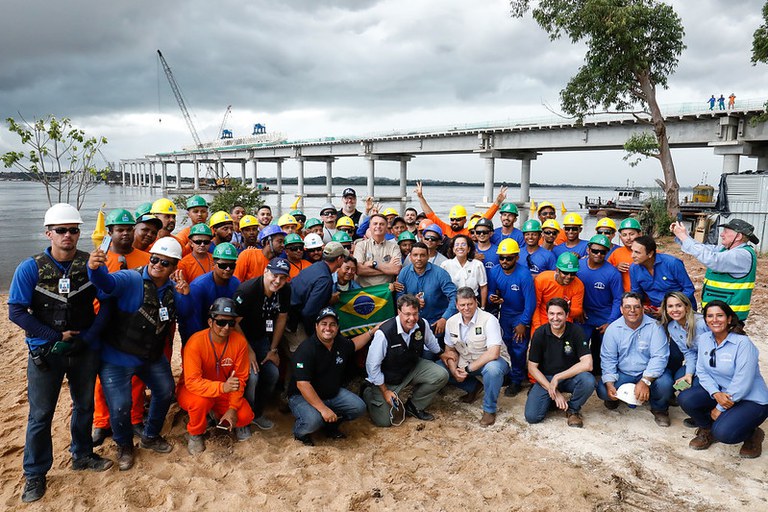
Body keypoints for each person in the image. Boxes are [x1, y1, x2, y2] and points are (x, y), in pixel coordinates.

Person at [9, 203, 112, 503]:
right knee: (41, 415)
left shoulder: (89, 264)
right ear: (49, 233)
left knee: (84, 407)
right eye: (62, 230)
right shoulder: (31, 267)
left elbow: (107, 301)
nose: (68, 235)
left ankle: (82, 455)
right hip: (46, 350)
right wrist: (54, 336)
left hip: (83, 349)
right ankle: (35, 473)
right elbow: (16, 311)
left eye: (74, 230)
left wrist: (89, 337)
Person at [87, 236, 190, 470]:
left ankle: (150, 435)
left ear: (174, 267)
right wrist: (94, 268)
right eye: (155, 259)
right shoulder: (131, 278)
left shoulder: (173, 289)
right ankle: (124, 445)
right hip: (117, 357)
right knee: (120, 405)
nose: (157, 265)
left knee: (165, 391)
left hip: (150, 356)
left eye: (165, 263)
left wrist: (185, 295)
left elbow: (183, 314)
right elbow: (106, 283)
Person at [678, 301, 768, 458]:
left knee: (724, 433)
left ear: (729, 319)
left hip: (750, 399)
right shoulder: (705, 338)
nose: (715, 320)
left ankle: (752, 434)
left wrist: (719, 408)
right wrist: (715, 393)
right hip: (722, 393)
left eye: (720, 315)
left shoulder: (743, 343)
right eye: (710, 316)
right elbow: (702, 371)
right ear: (705, 320)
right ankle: (707, 429)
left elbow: (743, 382)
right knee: (686, 398)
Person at [92, 209, 151, 448]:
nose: (125, 234)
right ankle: (101, 421)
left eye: (128, 229)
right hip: (104, 326)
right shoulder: (99, 258)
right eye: (120, 230)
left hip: (134, 326)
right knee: (101, 378)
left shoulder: (146, 258)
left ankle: (136, 418)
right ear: (110, 232)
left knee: (136, 375)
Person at [177, 298, 254, 454]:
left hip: (223, 391)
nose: (226, 327)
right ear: (210, 322)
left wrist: (232, 408)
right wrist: (222, 387)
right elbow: (192, 382)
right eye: (220, 322)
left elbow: (240, 378)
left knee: (245, 415)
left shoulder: (239, 342)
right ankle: (195, 433)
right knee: (200, 402)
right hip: (193, 391)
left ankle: (218, 415)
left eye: (231, 323)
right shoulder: (195, 342)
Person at [287, 308, 371, 445]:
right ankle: (300, 433)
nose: (328, 328)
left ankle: (330, 426)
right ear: (316, 326)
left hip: (331, 394)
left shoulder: (339, 342)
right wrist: (323, 409)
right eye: (324, 324)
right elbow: (302, 384)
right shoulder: (306, 349)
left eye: (332, 324)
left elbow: (354, 344)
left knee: (359, 407)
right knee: (314, 421)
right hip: (302, 396)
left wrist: (372, 332)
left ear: (337, 327)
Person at [363, 294, 450, 427]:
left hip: (411, 368)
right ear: (399, 312)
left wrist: (441, 354)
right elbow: (372, 366)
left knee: (441, 374)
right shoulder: (384, 333)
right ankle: (367, 392)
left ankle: (414, 406)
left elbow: (431, 342)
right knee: (384, 421)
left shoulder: (422, 323)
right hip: (388, 378)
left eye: (415, 314)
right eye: (407, 314)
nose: (412, 318)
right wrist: (385, 391)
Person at [597, 292, 673, 427]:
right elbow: (608, 358)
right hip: (624, 373)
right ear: (621, 309)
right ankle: (618, 397)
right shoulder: (613, 329)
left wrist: (645, 381)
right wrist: (609, 382)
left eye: (636, 307)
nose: (632, 311)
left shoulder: (655, 327)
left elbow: (659, 357)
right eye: (627, 307)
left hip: (649, 373)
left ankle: (659, 409)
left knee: (666, 384)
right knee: (603, 390)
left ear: (643, 308)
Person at [233, 258, 291, 431]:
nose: (278, 281)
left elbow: (282, 317)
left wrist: (273, 349)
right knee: (252, 377)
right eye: (274, 275)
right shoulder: (248, 290)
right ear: (266, 271)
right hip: (240, 340)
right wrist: (248, 350)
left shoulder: (285, 290)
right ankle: (244, 417)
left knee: (272, 373)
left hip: (263, 338)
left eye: (283, 277)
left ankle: (256, 413)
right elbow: (234, 322)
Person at [442, 288, 510, 426]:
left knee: (493, 370)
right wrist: (454, 369)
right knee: (439, 369)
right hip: (465, 360)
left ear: (476, 302)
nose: (466, 308)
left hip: (490, 360)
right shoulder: (451, 322)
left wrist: (467, 369)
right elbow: (449, 350)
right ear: (457, 306)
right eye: (462, 305)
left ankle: (489, 410)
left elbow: (493, 353)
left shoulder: (489, 320)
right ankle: (473, 387)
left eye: (470, 304)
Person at [525, 298, 595, 428]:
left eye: (559, 314)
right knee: (532, 417)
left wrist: (559, 377)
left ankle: (573, 410)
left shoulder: (576, 331)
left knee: (588, 380)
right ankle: (550, 399)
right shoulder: (540, 333)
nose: (555, 318)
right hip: (546, 378)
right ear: (547, 314)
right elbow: (532, 367)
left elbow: (588, 364)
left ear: (567, 315)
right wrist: (554, 391)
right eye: (551, 314)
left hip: (569, 377)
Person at [671, 218, 757, 322]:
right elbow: (701, 248)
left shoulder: (742, 255)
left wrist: (683, 237)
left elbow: (712, 259)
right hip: (718, 315)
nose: (721, 234)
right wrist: (683, 236)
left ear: (738, 236)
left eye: (726, 231)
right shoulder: (725, 250)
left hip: (729, 318)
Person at [486, 239, 536, 397]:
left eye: (508, 258)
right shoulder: (494, 271)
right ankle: (514, 373)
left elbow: (530, 302)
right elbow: (490, 292)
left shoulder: (524, 275)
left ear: (516, 257)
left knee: (519, 349)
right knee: (507, 346)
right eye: (502, 258)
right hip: (505, 314)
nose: (504, 261)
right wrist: (492, 297)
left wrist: (523, 322)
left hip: (520, 315)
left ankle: (517, 380)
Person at [286, 242, 349, 353]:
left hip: (288, 312)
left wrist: (327, 300)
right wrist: (315, 336)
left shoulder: (316, 266)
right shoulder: (324, 279)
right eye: (343, 257)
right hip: (293, 321)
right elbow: (308, 313)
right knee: (302, 355)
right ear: (339, 259)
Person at [576, 234, 623, 375]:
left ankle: (600, 375)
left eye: (603, 252)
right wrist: (577, 308)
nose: (598, 254)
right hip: (583, 316)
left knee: (602, 351)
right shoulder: (578, 267)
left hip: (604, 317)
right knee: (580, 347)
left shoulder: (612, 273)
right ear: (588, 250)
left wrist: (611, 322)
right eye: (595, 250)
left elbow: (618, 299)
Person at [177, 242, 240, 345]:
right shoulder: (199, 286)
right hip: (198, 329)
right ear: (213, 265)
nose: (228, 269)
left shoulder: (236, 283)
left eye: (231, 265)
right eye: (223, 265)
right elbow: (193, 320)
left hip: (222, 330)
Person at [395, 243, 457, 341]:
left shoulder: (440, 273)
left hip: (436, 323)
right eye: (415, 255)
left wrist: (445, 318)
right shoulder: (404, 273)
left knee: (433, 354)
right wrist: (412, 302)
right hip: (411, 322)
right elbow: (399, 299)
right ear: (410, 257)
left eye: (422, 255)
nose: (418, 258)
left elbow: (454, 297)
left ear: (428, 256)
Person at [630, 235, 696, 316]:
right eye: (632, 251)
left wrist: (668, 308)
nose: (632, 255)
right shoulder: (634, 268)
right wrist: (642, 306)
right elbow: (636, 293)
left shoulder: (672, 263)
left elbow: (689, 289)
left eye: (637, 252)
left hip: (682, 310)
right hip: (656, 311)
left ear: (650, 254)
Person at [414, 180, 505, 237]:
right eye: (452, 219)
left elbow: (486, 218)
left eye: (458, 219)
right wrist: (421, 197)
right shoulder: (445, 229)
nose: (454, 222)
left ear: (465, 220)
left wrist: (497, 202)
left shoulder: (469, 231)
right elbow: (430, 215)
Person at [658, 291, 708, 394]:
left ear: (687, 307)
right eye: (670, 306)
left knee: (695, 386)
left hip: (712, 364)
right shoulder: (672, 327)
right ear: (666, 310)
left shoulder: (702, 323)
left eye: (679, 305)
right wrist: (689, 374)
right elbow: (689, 353)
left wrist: (698, 372)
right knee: (680, 378)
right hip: (696, 361)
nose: (675, 310)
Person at [532, 253, 584, 334]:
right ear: (557, 270)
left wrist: (567, 309)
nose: (569, 276)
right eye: (565, 272)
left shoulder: (578, 285)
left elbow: (578, 310)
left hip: (564, 324)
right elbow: (535, 306)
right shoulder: (542, 279)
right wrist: (538, 328)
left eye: (573, 273)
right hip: (542, 321)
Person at [354, 213, 401, 287]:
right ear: (369, 227)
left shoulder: (394, 247)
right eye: (375, 224)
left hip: (385, 292)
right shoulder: (360, 245)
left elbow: (396, 270)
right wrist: (388, 268)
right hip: (363, 291)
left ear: (386, 228)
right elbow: (359, 270)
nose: (378, 226)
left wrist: (374, 264)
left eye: (382, 224)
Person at [441, 234, 487, 309]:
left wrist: (483, 307)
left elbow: (483, 287)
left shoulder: (478, 265)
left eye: (463, 244)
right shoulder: (445, 265)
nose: (460, 247)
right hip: (452, 304)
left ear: (468, 249)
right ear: (453, 249)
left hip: (473, 303)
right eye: (457, 244)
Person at [607, 217, 642, 292]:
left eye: (632, 234)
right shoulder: (616, 253)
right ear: (620, 237)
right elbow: (606, 272)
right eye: (624, 235)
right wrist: (616, 268)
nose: (628, 238)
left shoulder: (651, 252)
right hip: (625, 298)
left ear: (640, 234)